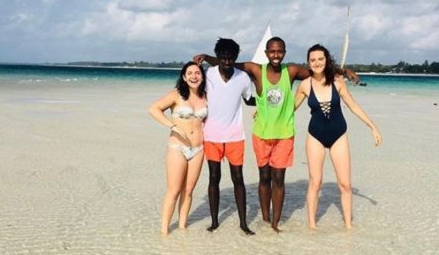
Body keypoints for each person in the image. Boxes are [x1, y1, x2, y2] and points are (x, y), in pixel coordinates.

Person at [197, 36, 359, 232]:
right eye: (272, 51)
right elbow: (228, 61)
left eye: (279, 51)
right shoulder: (256, 69)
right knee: (264, 177)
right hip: (262, 133)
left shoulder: (290, 71)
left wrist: (344, 71)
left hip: (284, 134)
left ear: (284, 53)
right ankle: (265, 219)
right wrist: (206, 57)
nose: (276, 55)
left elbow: (319, 70)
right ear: (266, 53)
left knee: (279, 180)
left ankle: (275, 223)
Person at [294, 44, 382, 229]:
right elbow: (290, 109)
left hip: (338, 135)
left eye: (320, 59)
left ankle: (349, 226)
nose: (317, 63)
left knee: (345, 184)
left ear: (326, 60)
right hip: (315, 136)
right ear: (308, 63)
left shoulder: (338, 81)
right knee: (315, 183)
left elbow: (353, 106)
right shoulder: (304, 85)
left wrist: (372, 126)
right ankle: (312, 226)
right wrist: (262, 112)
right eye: (312, 60)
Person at [195, 38, 256, 235]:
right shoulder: (207, 75)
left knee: (238, 178)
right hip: (211, 135)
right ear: (218, 57)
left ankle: (243, 223)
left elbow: (249, 100)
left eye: (231, 58)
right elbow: (194, 94)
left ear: (236, 58)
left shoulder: (243, 78)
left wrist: (271, 101)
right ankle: (214, 222)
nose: (227, 62)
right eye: (223, 58)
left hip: (235, 136)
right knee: (214, 177)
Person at [149, 62, 208, 236]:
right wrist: (172, 125)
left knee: (188, 190)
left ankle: (182, 227)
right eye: (189, 73)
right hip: (178, 147)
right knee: (173, 190)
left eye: (197, 73)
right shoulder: (176, 95)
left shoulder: (206, 97)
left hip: (198, 148)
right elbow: (154, 109)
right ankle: (164, 231)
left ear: (202, 76)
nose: (194, 76)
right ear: (183, 77)